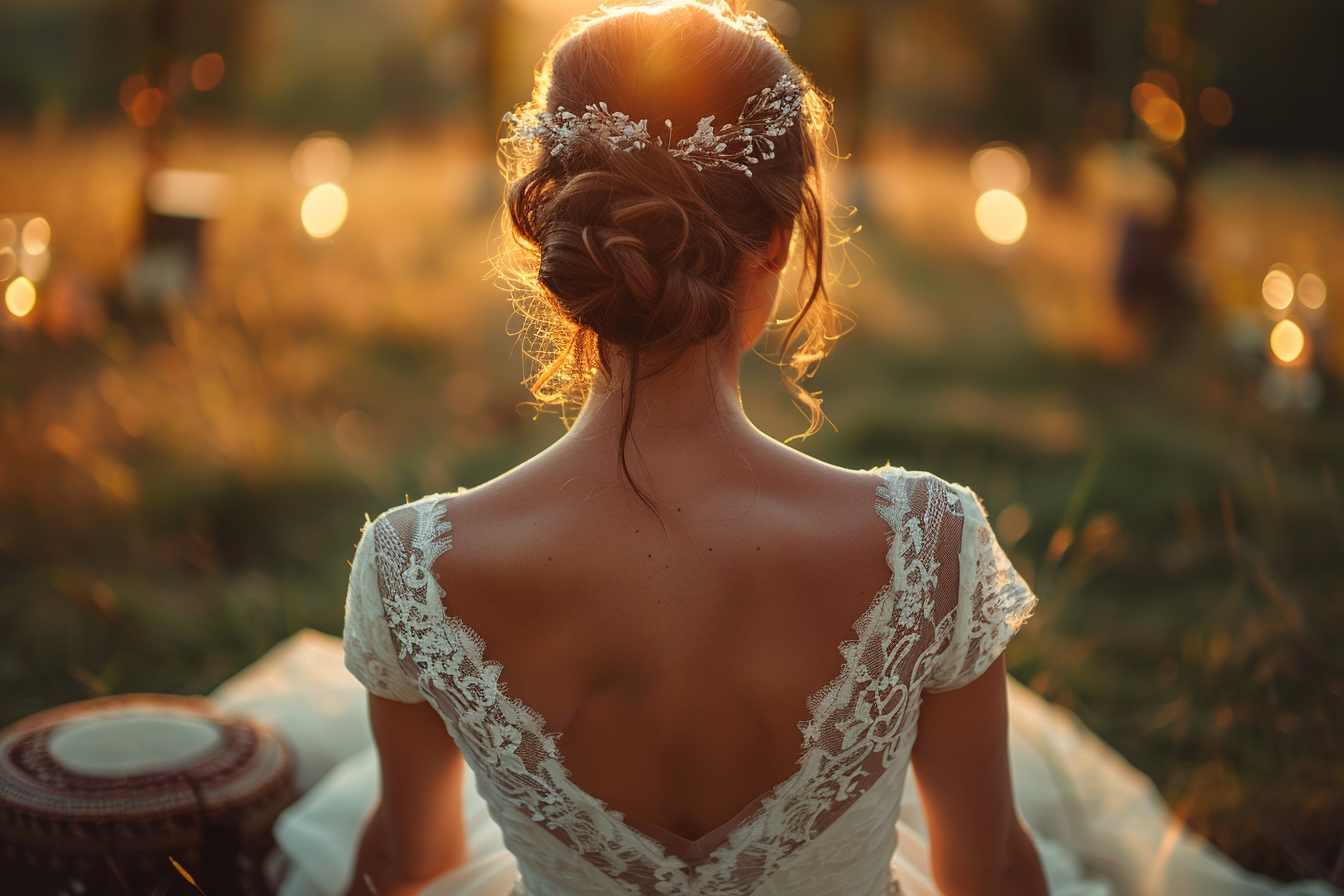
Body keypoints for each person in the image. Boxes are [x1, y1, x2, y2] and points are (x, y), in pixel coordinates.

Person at [336, 3, 1047, 895]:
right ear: (779, 241)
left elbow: (411, 862)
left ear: (562, 232)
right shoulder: (929, 544)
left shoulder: (410, 571)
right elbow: (988, 870)